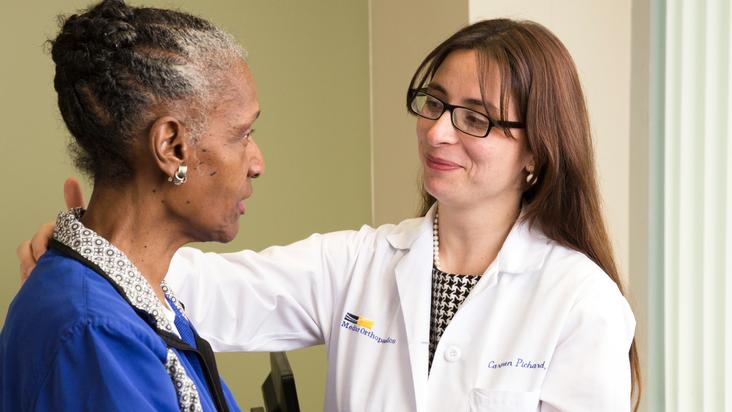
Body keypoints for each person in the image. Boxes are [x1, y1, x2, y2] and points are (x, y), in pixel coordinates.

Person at [17, 18, 640, 412]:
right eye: (434, 103)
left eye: (475, 118)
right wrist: (91, 250)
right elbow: (194, 290)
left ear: (537, 150)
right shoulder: (361, 264)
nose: (439, 133)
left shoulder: (582, 303)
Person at [1, 1, 263, 411]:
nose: (257, 163)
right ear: (171, 147)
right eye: (242, 134)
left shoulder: (134, 302)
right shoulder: (95, 333)